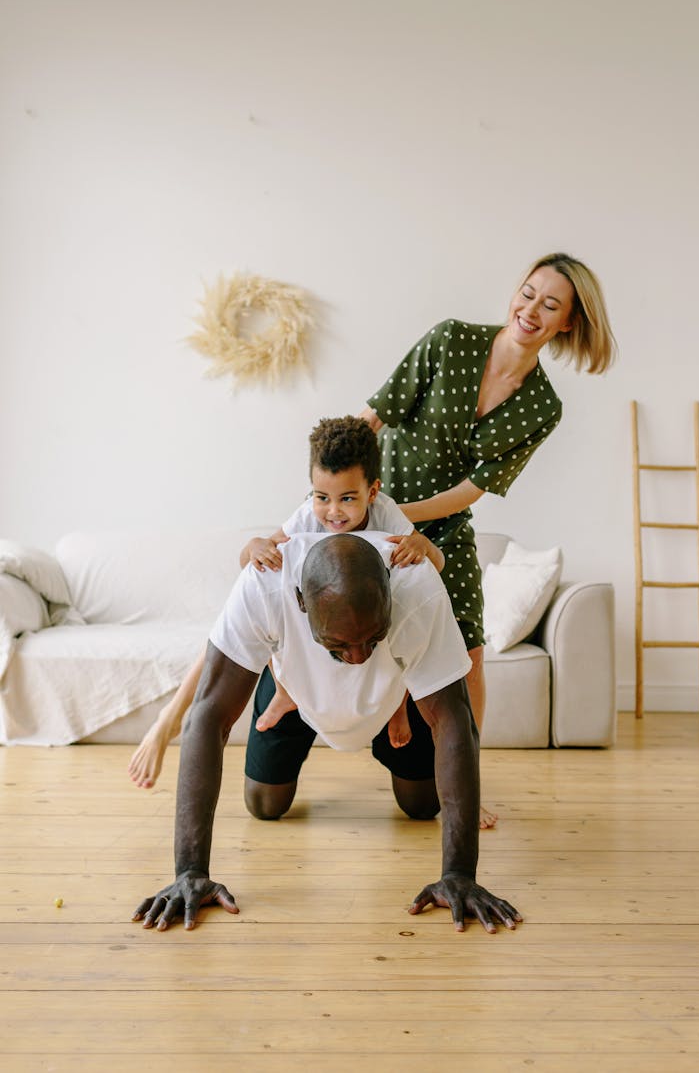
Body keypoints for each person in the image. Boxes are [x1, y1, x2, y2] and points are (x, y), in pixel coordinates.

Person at [132, 532, 523, 934]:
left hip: (390, 697)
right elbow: (209, 714)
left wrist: (459, 873)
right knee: (264, 804)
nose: (357, 657)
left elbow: (454, 720)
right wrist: (190, 870)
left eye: (373, 637)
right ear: (301, 602)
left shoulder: (417, 585)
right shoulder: (265, 583)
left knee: (423, 806)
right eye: (340, 644)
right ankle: (289, 699)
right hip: (297, 690)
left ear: (390, 591)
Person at [360, 251, 617, 829]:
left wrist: (409, 519)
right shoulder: (451, 340)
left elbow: (474, 487)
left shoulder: (542, 407)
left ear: (567, 323)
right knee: (380, 631)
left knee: (471, 654)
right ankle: (393, 721)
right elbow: (375, 415)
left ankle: (464, 790)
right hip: (374, 515)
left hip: (442, 525)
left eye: (550, 304)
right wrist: (344, 492)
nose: (531, 309)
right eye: (528, 293)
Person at [127, 416, 443, 789]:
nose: (333, 512)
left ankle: (398, 706)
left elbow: (434, 568)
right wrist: (253, 547)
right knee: (252, 618)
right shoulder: (308, 517)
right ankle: (264, 695)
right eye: (322, 497)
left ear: (372, 492)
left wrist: (423, 547)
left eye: (347, 498)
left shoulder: (387, 514)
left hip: (372, 635)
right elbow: (254, 565)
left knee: (408, 616)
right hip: (308, 633)